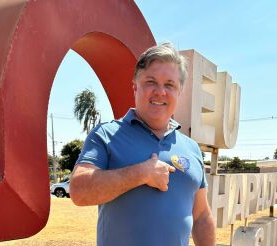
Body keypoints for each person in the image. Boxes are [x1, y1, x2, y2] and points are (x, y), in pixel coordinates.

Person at [69, 42, 216, 246]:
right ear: (135, 87)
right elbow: (78, 191)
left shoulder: (191, 148)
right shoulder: (106, 135)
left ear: (179, 92)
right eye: (151, 82)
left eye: (169, 84)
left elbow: (201, 216)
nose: (160, 91)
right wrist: (141, 173)